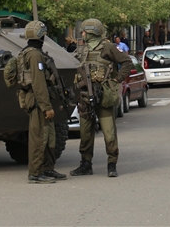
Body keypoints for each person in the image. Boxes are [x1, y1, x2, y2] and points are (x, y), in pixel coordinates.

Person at [71, 18, 133, 178]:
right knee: (85, 132)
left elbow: (127, 62)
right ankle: (85, 164)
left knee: (109, 132)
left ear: (92, 32)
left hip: (103, 94)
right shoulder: (82, 50)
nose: (82, 34)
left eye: (84, 31)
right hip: (85, 95)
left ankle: (112, 164)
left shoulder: (108, 47)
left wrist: (117, 79)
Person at [19, 20, 66, 184]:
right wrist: (46, 107)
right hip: (38, 102)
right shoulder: (34, 55)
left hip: (42, 100)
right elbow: (38, 83)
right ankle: (35, 173)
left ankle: (47, 168)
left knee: (49, 136)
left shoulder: (36, 53)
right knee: (39, 138)